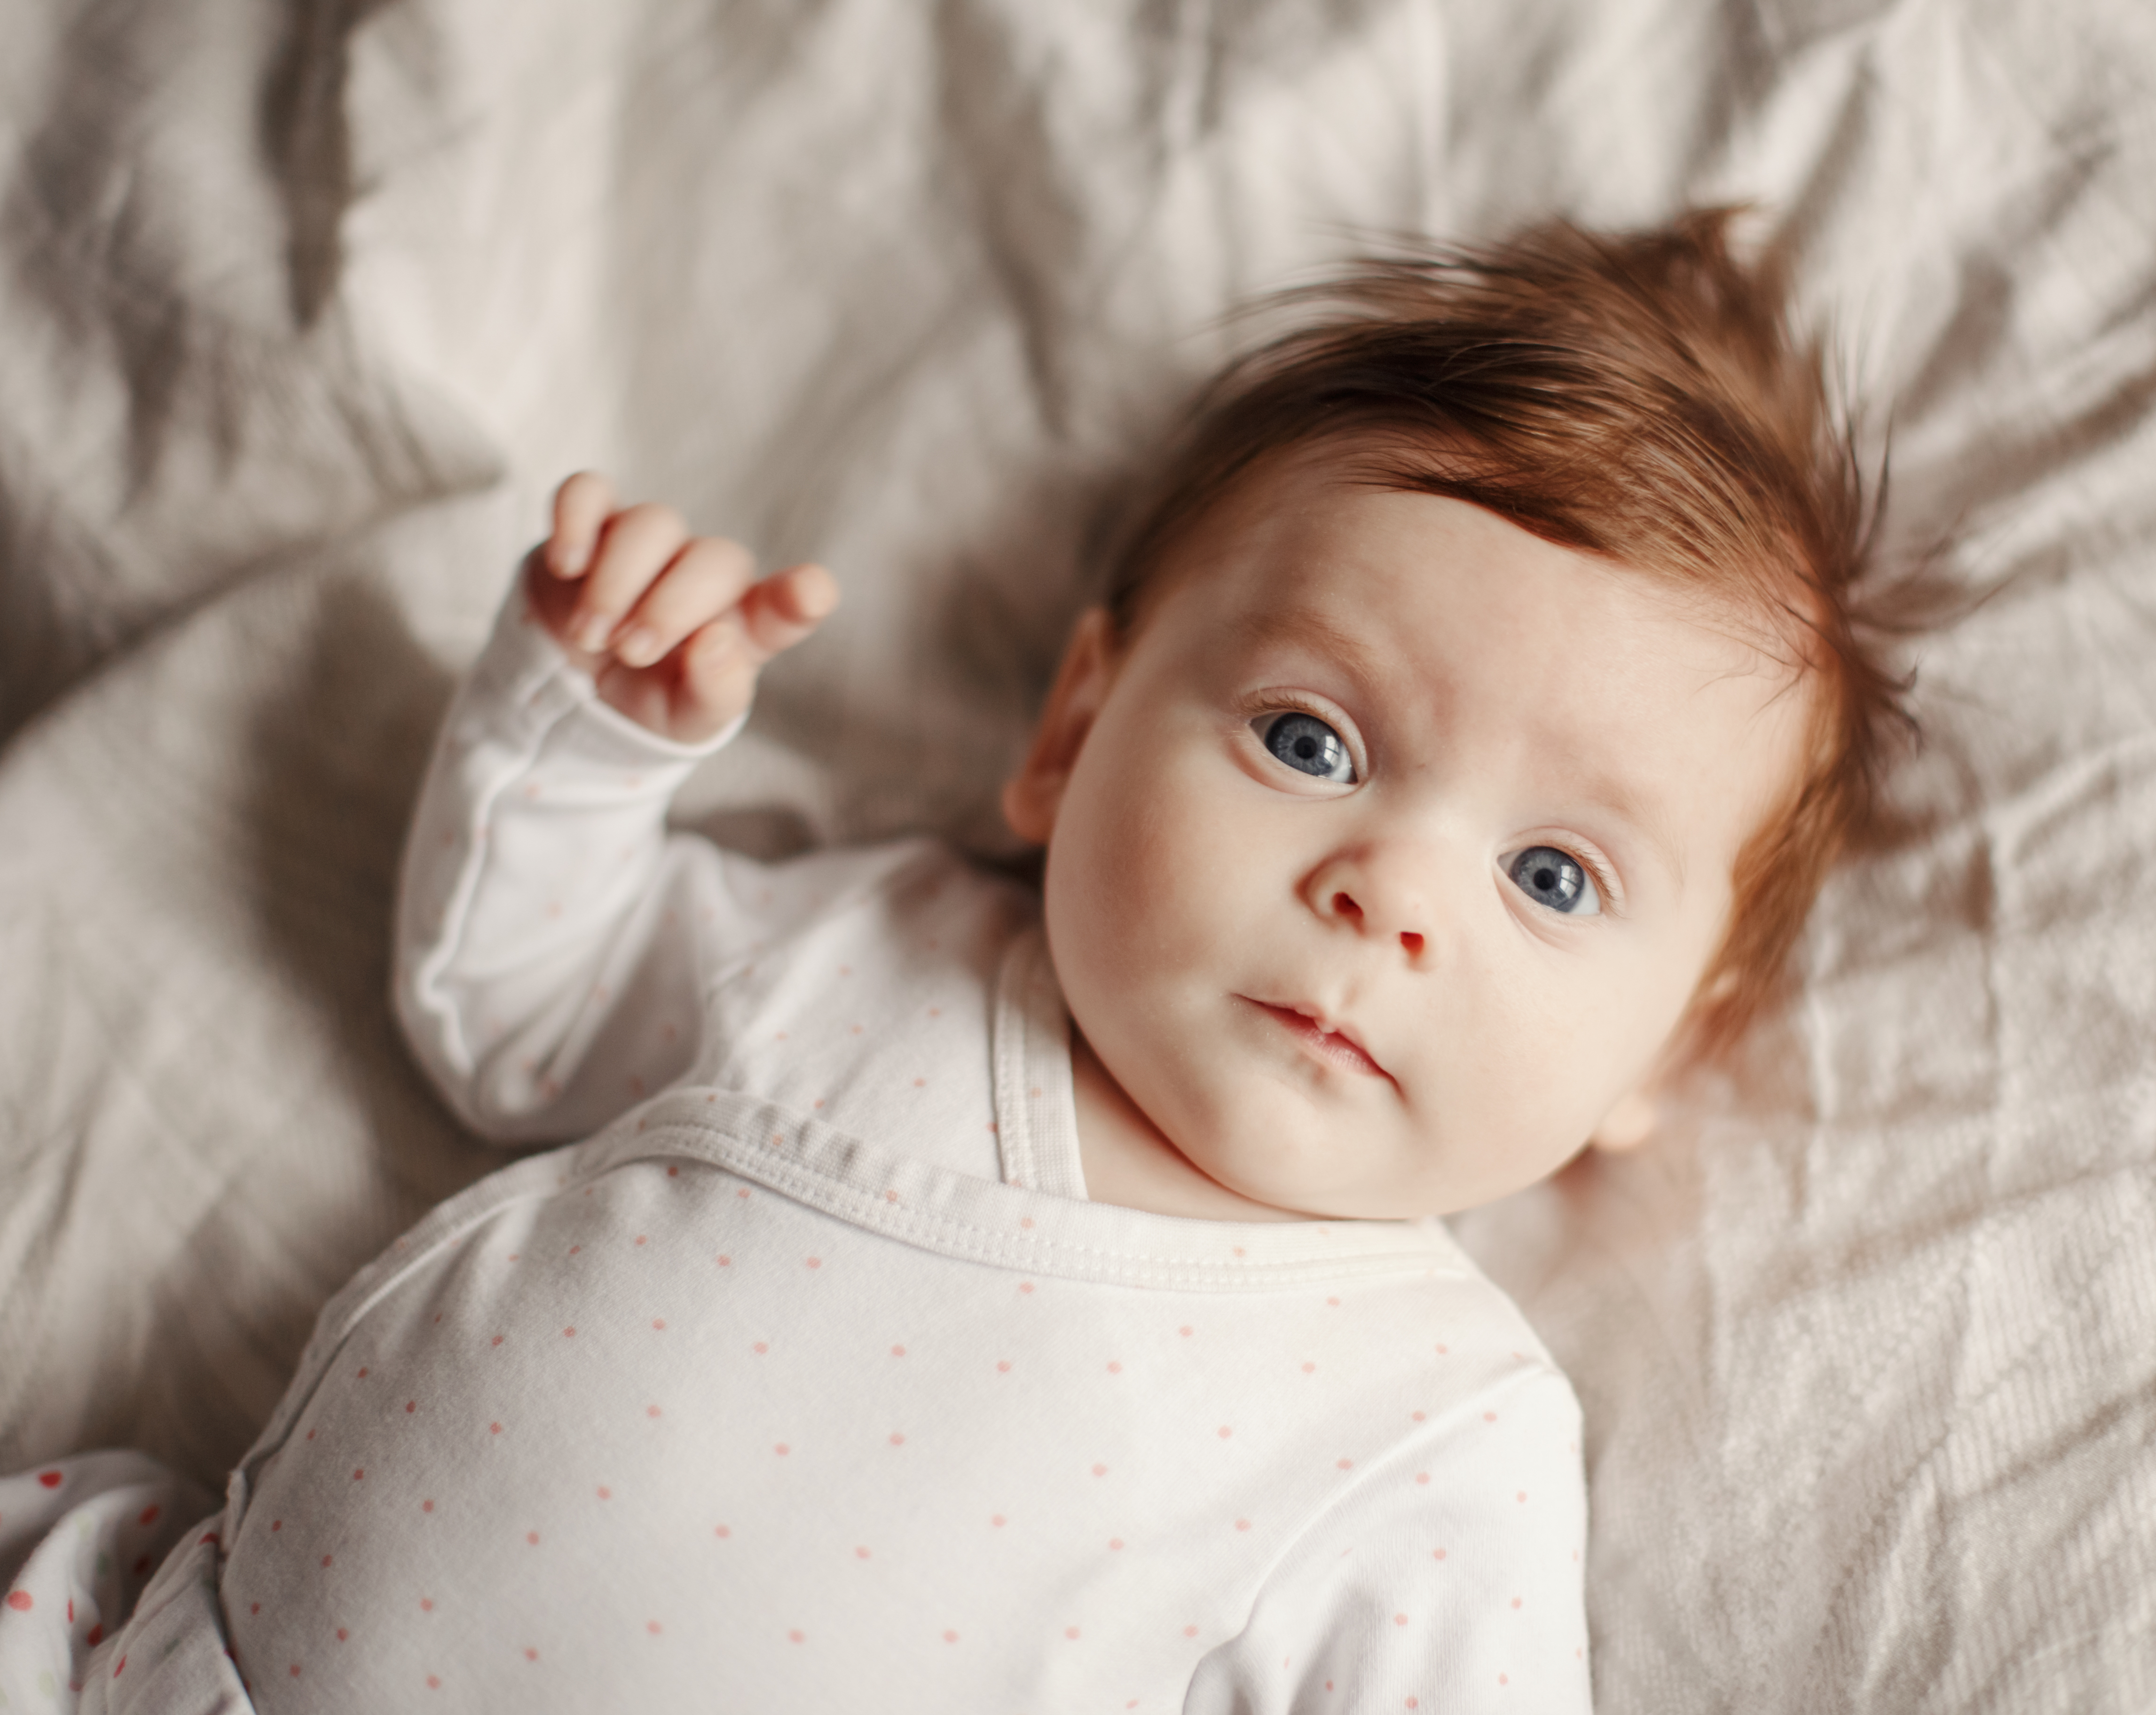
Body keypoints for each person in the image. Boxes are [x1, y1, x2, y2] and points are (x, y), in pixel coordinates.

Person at [118, 209, 1899, 1711]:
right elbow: (518, 1019)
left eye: (1553, 875)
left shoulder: (1436, 1433)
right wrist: (586, 735)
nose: (1393, 892)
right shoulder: (872, 943)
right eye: (1309, 743)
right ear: (1074, 727)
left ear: (1672, 1044)